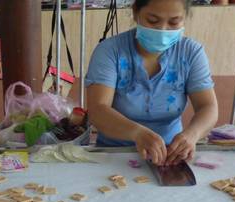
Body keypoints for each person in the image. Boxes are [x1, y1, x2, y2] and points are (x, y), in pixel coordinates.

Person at [85, 0, 218, 165]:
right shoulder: (110, 51)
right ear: (136, 13)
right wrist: (137, 133)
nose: (163, 30)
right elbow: (98, 110)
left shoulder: (191, 53)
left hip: (171, 155)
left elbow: (208, 107)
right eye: (153, 21)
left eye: (174, 22)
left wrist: (192, 135)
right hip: (116, 154)